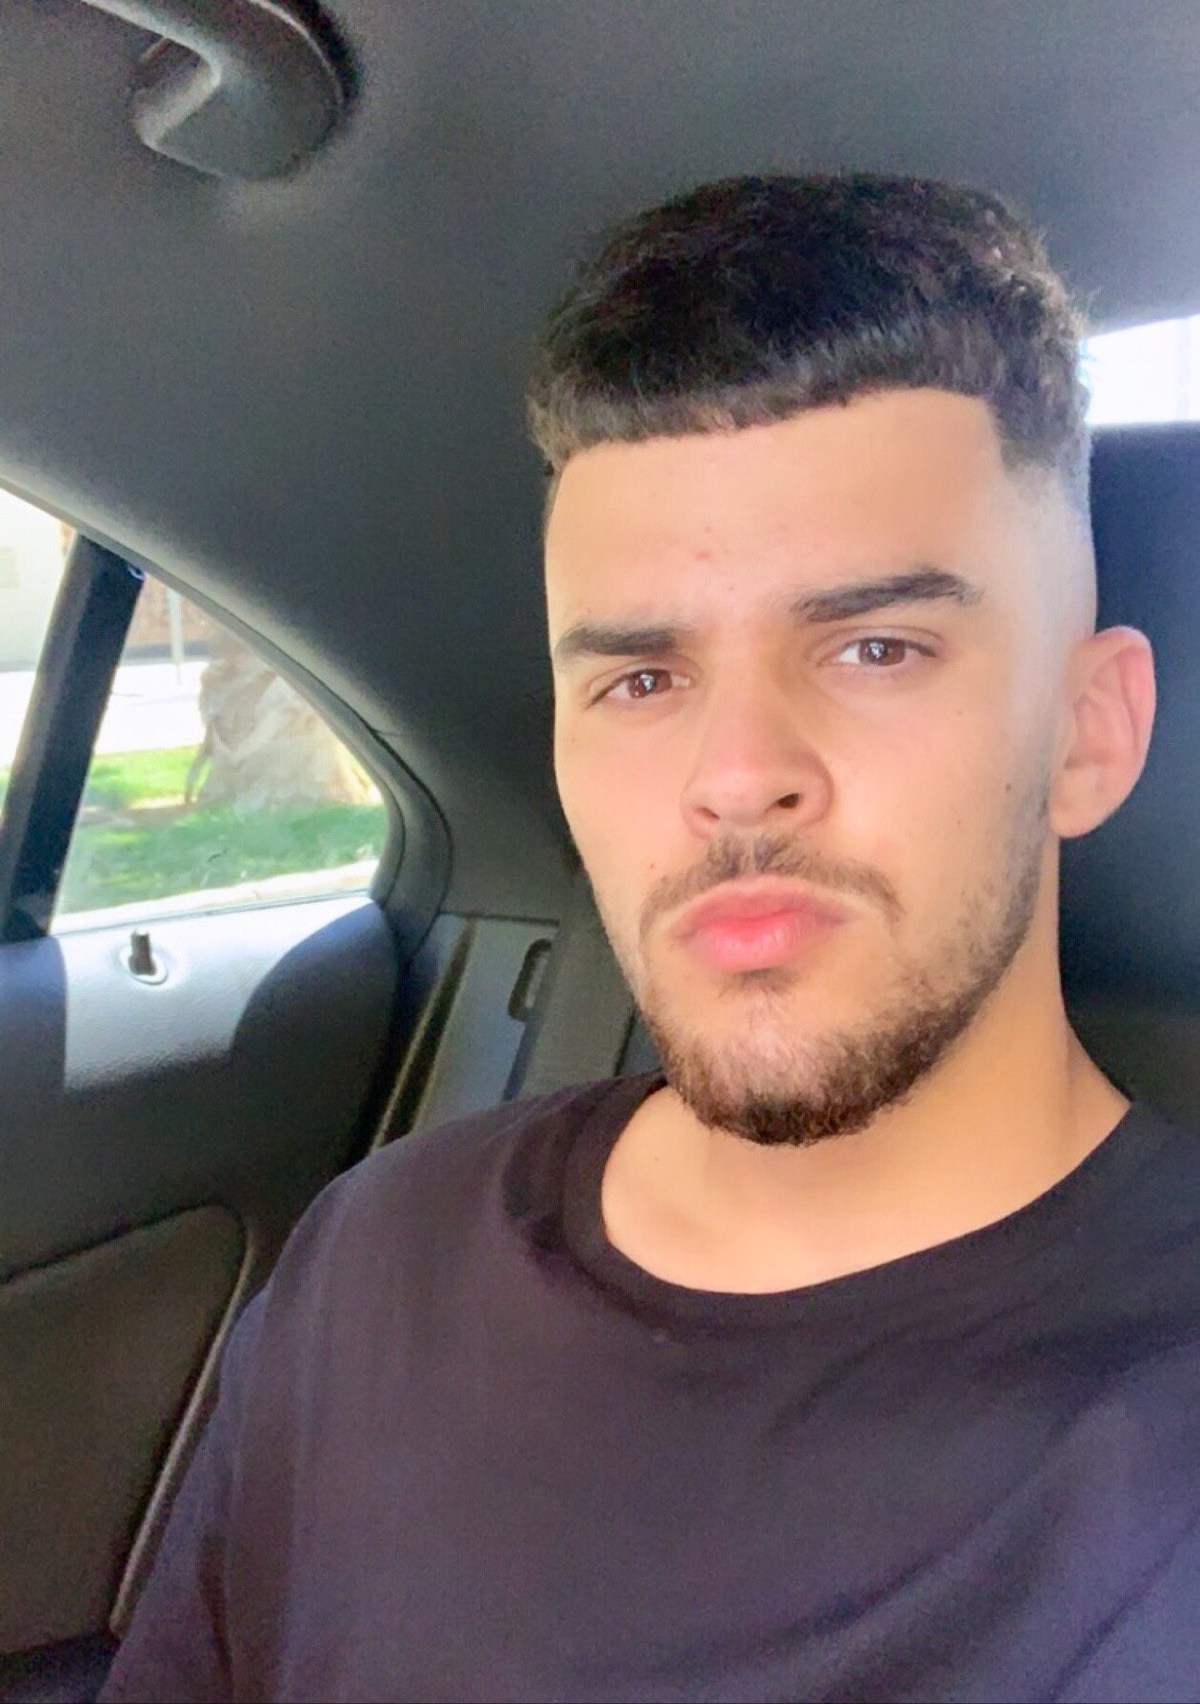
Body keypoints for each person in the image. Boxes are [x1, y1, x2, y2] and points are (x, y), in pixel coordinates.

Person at [102, 173, 1197, 1704]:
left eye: (876, 646)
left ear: (1090, 732)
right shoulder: (378, 1256)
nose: (734, 773)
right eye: (640, 680)